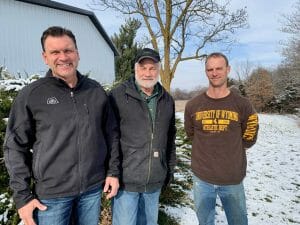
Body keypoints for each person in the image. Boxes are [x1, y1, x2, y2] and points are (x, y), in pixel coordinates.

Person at [3, 26, 120, 225]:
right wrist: (22, 196)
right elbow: (14, 146)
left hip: (91, 191)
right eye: (55, 52)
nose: (63, 57)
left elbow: (111, 135)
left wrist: (113, 172)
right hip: (52, 197)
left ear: (77, 53)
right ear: (45, 57)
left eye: (68, 50)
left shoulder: (96, 91)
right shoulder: (32, 95)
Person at [184, 52, 259, 225]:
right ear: (206, 72)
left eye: (219, 68)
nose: (214, 73)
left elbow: (250, 136)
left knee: (238, 221)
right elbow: (191, 134)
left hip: (232, 178)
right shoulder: (193, 105)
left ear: (228, 70)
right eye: (210, 69)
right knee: (205, 222)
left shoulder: (243, 104)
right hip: (202, 178)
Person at [108, 48, 176, 225]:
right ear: (135, 68)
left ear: (159, 69)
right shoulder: (117, 96)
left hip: (154, 183)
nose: (147, 73)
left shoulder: (167, 100)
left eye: (152, 68)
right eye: (143, 67)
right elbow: (110, 137)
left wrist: (169, 169)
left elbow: (170, 137)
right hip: (126, 182)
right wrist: (112, 172)